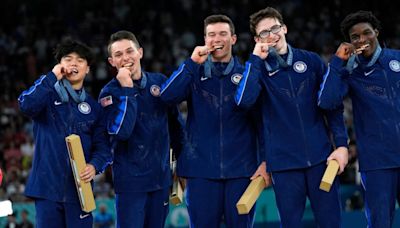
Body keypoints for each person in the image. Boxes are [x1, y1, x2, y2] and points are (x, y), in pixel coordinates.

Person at [235, 7, 349, 227]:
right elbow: (244, 102)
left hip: (320, 160)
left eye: (275, 28)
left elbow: (332, 106)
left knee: (332, 224)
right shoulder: (257, 71)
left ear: (284, 28)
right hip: (284, 166)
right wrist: (256, 60)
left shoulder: (311, 61)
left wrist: (342, 144)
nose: (272, 35)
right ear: (258, 40)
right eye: (264, 33)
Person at [160, 15, 268, 227]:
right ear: (204, 39)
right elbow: (167, 98)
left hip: (242, 171)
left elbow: (262, 123)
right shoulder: (194, 72)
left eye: (222, 34)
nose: (216, 39)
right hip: (200, 172)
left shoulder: (248, 74)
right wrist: (191, 64)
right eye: (211, 35)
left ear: (233, 39)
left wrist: (265, 161)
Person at [18, 38, 112, 228]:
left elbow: (103, 147)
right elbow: (26, 105)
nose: (73, 63)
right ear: (59, 65)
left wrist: (94, 166)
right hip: (47, 190)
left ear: (87, 69)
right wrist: (51, 78)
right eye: (68, 59)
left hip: (79, 192)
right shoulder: (46, 97)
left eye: (80, 60)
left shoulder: (94, 108)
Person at [318, 10, 400, 227]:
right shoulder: (350, 72)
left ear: (377, 33)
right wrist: (337, 63)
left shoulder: (396, 59)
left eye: (367, 33)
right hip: (376, 162)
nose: (362, 39)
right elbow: (326, 102)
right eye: (355, 37)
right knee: (379, 223)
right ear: (350, 42)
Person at [99, 30, 184, 228]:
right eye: (118, 55)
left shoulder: (159, 82)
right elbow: (122, 132)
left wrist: (183, 164)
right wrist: (127, 90)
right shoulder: (109, 93)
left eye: (129, 51)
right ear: (112, 62)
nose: (126, 58)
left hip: (161, 181)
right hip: (131, 185)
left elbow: (176, 127)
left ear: (140, 53)